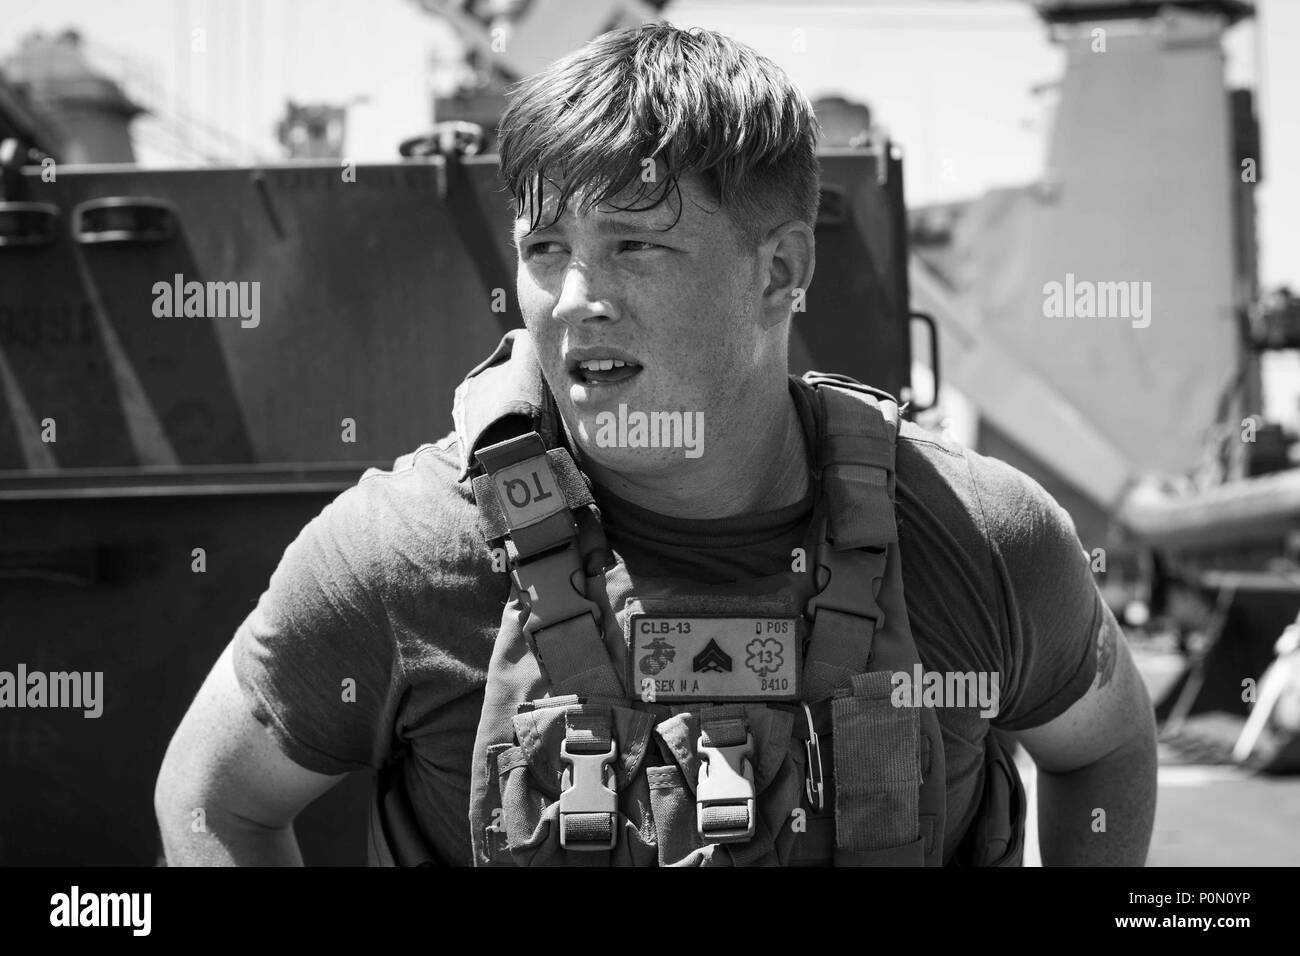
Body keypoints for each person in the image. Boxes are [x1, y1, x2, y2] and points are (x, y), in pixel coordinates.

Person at [154, 22, 1157, 866]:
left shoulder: (979, 535)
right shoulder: (405, 550)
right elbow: (213, 800)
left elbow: (1102, 743)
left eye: (635, 244)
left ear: (781, 270)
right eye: (547, 249)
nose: (576, 299)